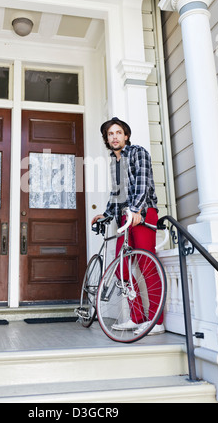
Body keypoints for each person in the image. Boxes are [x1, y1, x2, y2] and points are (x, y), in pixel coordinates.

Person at [92, 117, 165, 335]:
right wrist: (105, 214)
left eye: (118, 132)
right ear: (107, 138)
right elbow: (117, 194)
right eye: (110, 134)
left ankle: (155, 321)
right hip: (126, 216)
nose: (114, 136)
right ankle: (137, 317)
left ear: (126, 135)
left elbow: (142, 184)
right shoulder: (115, 163)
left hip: (143, 213)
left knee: (146, 265)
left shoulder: (138, 153)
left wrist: (136, 210)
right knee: (121, 269)